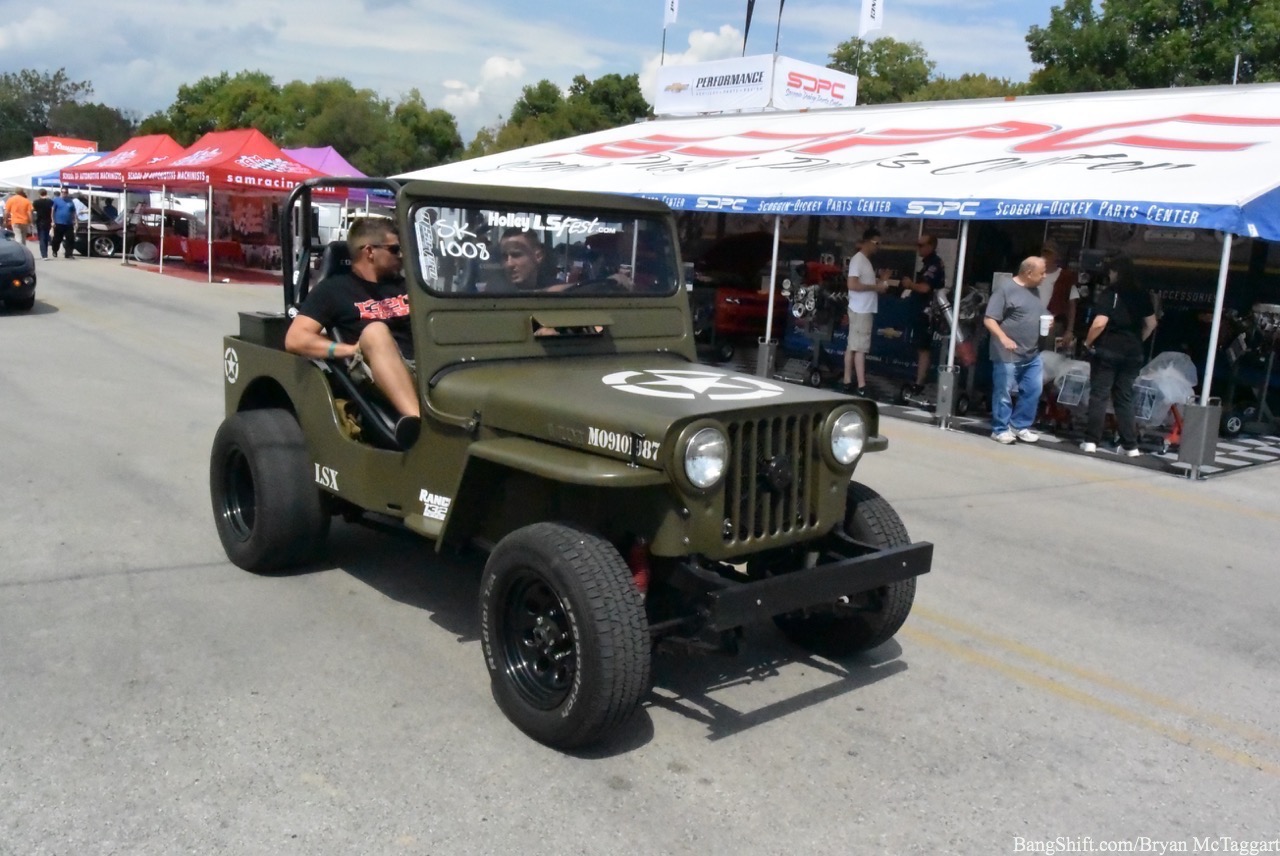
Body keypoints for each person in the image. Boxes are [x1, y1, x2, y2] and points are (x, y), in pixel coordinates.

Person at [285, 218, 420, 444]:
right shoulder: (333, 290)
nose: (401, 256)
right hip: (377, 371)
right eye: (395, 249)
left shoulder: (408, 287)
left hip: (427, 366)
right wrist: (350, 349)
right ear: (369, 252)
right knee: (375, 331)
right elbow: (295, 338)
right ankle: (418, 423)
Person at [1080, 256, 1157, 456]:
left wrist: (1088, 343)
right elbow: (1151, 323)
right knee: (1124, 397)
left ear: (1116, 272)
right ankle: (1130, 446)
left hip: (1108, 350)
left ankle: (1091, 441)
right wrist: (1138, 340)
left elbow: (1099, 323)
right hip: (1133, 353)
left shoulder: (1111, 293)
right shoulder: (1142, 294)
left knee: (1099, 395)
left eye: (1111, 272)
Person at [983, 256, 1049, 445]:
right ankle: (1000, 429)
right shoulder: (1005, 289)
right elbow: (989, 319)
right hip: (1007, 352)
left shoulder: (1034, 290)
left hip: (1031, 351)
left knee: (1033, 390)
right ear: (1028, 273)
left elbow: (1034, 312)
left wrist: (1048, 318)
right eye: (1041, 273)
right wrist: (1003, 338)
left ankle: (1020, 425)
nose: (1044, 276)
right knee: (1004, 390)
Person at [841, 227, 890, 396]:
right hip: (861, 309)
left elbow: (863, 284)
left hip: (861, 308)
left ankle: (848, 380)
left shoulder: (864, 261)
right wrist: (876, 286)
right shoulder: (858, 260)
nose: (878, 247)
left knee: (853, 346)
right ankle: (861, 385)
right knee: (860, 348)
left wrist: (881, 281)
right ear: (868, 242)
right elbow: (852, 285)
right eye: (877, 243)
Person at [900, 233, 946, 395]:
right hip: (919, 310)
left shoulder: (934, 264)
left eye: (921, 245)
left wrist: (910, 285)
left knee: (923, 348)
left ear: (931, 246)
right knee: (920, 347)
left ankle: (919, 383)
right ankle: (918, 380)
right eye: (917, 245)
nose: (918, 248)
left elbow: (925, 288)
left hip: (927, 313)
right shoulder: (928, 263)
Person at [1038, 245, 1080, 348]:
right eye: (1044, 254)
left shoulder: (1066, 277)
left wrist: (1069, 330)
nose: (1045, 257)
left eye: (1049, 254)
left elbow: (1072, 306)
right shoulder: (1034, 274)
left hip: (1054, 323)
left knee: (1047, 355)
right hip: (1031, 322)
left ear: (1056, 256)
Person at [51, 189, 77, 259]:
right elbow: (53, 211)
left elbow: (73, 212)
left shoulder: (70, 201)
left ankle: (68, 254)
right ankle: (55, 250)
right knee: (57, 239)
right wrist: (53, 221)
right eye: (62, 192)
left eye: (65, 192)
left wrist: (75, 221)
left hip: (68, 223)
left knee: (70, 239)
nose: (64, 193)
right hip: (59, 223)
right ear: (61, 193)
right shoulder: (56, 200)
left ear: (67, 193)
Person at [31, 189, 54, 259]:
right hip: (48, 221)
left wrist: (32, 221)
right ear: (46, 193)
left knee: (41, 238)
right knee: (46, 237)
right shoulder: (50, 202)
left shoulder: (36, 202)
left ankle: (44, 254)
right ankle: (45, 253)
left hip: (40, 221)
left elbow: (32, 211)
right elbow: (52, 211)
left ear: (39, 194)